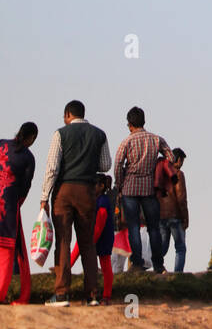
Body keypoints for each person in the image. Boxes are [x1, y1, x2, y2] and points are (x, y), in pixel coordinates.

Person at [40, 100, 111, 307]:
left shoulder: (60, 134)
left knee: (63, 241)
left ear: (68, 114)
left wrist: (44, 196)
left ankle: (61, 294)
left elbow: (52, 167)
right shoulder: (100, 134)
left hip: (64, 190)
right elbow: (105, 164)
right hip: (88, 191)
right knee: (88, 243)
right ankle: (92, 295)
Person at [113, 107, 173, 275]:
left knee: (133, 227)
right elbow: (171, 157)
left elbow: (117, 164)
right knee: (153, 228)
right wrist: (159, 165)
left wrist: (119, 184)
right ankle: (159, 264)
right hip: (149, 189)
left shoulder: (126, 142)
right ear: (144, 122)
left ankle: (137, 263)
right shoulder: (155, 139)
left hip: (130, 188)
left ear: (130, 125)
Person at [0, 123, 38, 304]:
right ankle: (0, 294)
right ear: (31, 138)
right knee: (6, 250)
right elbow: (25, 188)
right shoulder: (28, 157)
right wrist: (16, 204)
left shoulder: (2, 144)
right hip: (8, 207)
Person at [69, 174, 115, 303]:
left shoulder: (103, 201)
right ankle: (66, 267)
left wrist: (91, 241)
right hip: (93, 235)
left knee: (105, 264)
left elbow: (100, 225)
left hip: (102, 237)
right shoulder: (95, 199)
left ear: (101, 186)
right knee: (78, 250)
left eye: (93, 185)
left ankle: (107, 295)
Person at [156, 147, 188, 273]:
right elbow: (181, 198)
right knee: (180, 247)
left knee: (163, 245)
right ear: (178, 160)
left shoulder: (161, 174)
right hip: (175, 215)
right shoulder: (178, 174)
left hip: (161, 215)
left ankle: (154, 266)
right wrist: (185, 218)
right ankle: (178, 274)